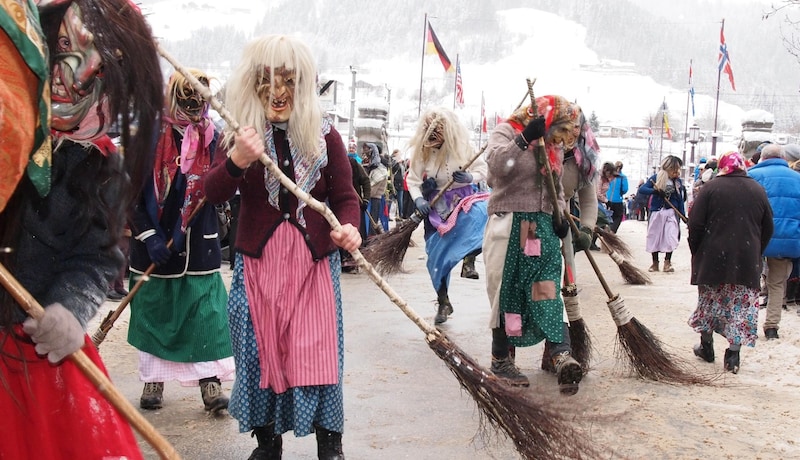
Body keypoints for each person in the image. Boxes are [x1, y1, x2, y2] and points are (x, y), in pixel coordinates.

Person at [1, 0, 163, 457]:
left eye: (89, 62)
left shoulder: (104, 166)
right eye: (59, 52)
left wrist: (70, 310)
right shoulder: (8, 125)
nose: (66, 74)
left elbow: (98, 255)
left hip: (33, 356)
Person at [203, 34, 361, 460]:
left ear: (304, 84)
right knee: (258, 352)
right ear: (253, 84)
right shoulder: (239, 133)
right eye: (268, 81)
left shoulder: (326, 135)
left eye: (289, 81)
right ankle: (267, 442)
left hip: (313, 265)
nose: (278, 92)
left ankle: (331, 444)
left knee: (317, 352)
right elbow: (212, 191)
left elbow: (346, 197)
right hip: (258, 265)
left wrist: (349, 228)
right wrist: (238, 159)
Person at [127, 68, 234, 413]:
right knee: (155, 312)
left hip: (198, 242)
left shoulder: (213, 138)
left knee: (205, 313)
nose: (193, 105)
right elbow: (129, 192)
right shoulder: (147, 136)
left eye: (199, 99)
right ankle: (153, 380)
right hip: (155, 243)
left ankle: (209, 383)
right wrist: (149, 234)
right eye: (186, 97)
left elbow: (221, 185)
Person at [483, 94, 583, 395]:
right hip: (510, 225)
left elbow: (556, 188)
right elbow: (497, 166)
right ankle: (501, 358)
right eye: (561, 131)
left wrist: (560, 215)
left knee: (547, 289)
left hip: (542, 231)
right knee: (508, 291)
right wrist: (525, 138)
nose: (562, 140)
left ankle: (561, 355)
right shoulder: (507, 132)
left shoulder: (551, 147)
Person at [687, 150, 773, 373]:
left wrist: (698, 252)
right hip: (746, 260)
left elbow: (695, 225)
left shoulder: (711, 188)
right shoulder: (757, 189)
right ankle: (733, 356)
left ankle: (706, 347)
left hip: (713, 258)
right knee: (741, 308)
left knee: (709, 304)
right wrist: (755, 251)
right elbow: (768, 227)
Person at [405, 106, 489, 325]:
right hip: (435, 208)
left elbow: (484, 171)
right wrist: (419, 197)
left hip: (463, 201)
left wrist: (470, 177)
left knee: (477, 220)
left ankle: (469, 261)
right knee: (435, 257)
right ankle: (443, 301)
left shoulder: (463, 148)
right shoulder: (422, 153)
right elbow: (412, 180)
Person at [747, 143, 800, 339]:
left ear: (763, 158)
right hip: (787, 239)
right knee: (777, 284)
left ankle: (748, 323)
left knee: (750, 283)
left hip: (756, 238)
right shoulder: (797, 179)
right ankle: (771, 327)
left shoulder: (752, 176)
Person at [638, 155, 686, 273]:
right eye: (675, 169)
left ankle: (667, 262)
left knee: (671, 236)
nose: (677, 172)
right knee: (655, 236)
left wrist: (683, 215)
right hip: (657, 212)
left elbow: (680, 199)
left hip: (671, 212)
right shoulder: (656, 178)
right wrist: (655, 191)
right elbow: (642, 189)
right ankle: (655, 263)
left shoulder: (678, 182)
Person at [341, 141, 370, 273]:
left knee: (356, 232)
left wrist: (365, 199)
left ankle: (355, 260)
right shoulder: (336, 165)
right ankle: (344, 260)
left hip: (355, 204)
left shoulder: (354, 164)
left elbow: (366, 181)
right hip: (339, 205)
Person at [362, 142, 388, 236]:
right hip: (366, 200)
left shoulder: (380, 170)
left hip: (373, 201)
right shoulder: (366, 167)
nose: (365, 155)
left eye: (368, 152)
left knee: (371, 226)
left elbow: (372, 191)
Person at [606, 161, 628, 232]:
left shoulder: (610, 175)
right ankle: (612, 231)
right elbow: (625, 189)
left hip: (608, 199)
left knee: (609, 216)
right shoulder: (623, 177)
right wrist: (620, 193)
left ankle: (608, 229)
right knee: (618, 216)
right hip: (618, 200)